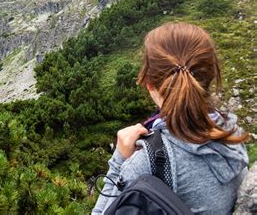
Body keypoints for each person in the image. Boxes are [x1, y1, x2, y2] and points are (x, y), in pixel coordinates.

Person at [91, 22, 249, 214]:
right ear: (210, 76)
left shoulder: (148, 162)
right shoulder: (231, 132)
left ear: (148, 83)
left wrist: (119, 160)